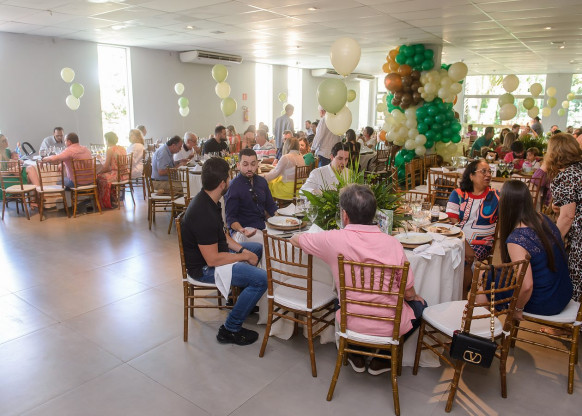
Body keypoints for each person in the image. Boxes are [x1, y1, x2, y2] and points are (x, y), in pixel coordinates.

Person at [290, 184, 426, 375]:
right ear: (373, 213)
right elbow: (409, 294)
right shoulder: (393, 244)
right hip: (389, 325)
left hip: (350, 321)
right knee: (421, 306)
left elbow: (296, 239)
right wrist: (414, 297)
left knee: (338, 299)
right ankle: (382, 359)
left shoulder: (333, 239)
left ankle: (356, 353)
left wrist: (299, 235)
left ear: (345, 215)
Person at [181, 157, 267, 345]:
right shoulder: (202, 212)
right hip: (204, 268)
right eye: (228, 177)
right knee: (262, 279)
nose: (230, 180)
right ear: (222, 183)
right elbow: (212, 259)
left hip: (216, 255)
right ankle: (230, 328)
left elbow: (222, 235)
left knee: (256, 248)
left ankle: (241, 300)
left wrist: (243, 249)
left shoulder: (210, 200)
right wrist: (243, 256)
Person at [485, 180, 572, 319]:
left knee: (487, 280)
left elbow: (527, 286)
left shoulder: (517, 238)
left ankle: (483, 328)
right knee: (494, 275)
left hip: (545, 301)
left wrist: (517, 309)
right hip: (563, 292)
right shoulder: (543, 218)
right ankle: (489, 324)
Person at [446, 159, 499, 293]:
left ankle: (462, 297)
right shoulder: (458, 194)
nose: (488, 175)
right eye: (483, 171)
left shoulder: (496, 196)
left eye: (489, 171)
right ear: (471, 175)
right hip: (457, 238)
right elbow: (454, 223)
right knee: (443, 257)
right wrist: (465, 244)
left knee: (465, 260)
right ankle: (447, 293)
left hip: (482, 242)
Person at [546, 133, 582, 301]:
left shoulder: (566, 175)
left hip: (579, 239)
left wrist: (551, 244)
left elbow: (567, 217)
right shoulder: (579, 169)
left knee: (575, 286)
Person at [225, 148, 278, 243]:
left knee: (288, 239)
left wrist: (283, 222)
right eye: (245, 164)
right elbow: (230, 218)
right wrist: (241, 230)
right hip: (242, 231)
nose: (249, 168)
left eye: (253, 164)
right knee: (272, 244)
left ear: (257, 164)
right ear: (238, 165)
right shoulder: (233, 186)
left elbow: (271, 206)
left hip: (263, 227)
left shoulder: (262, 182)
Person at [97, 132, 127, 209]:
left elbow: (106, 167)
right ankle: (113, 198)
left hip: (117, 176)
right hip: (125, 174)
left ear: (107, 140)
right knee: (105, 175)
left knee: (99, 177)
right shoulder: (122, 148)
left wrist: (98, 172)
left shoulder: (110, 150)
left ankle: (107, 201)